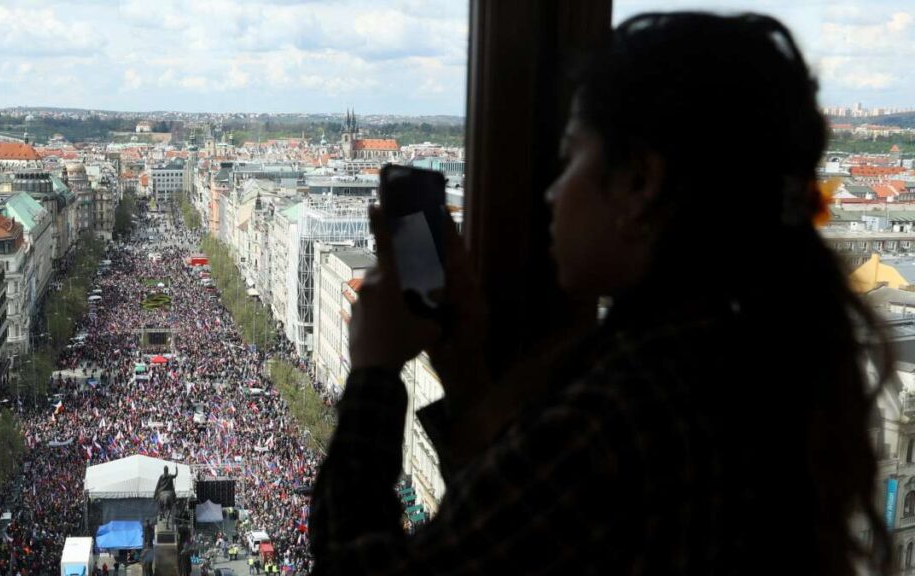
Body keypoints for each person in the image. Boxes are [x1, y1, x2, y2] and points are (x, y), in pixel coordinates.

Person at [309, 11, 891, 576]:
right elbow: (516, 538)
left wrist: (376, 374)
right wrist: (462, 368)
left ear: (640, 183)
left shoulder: (620, 419)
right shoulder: (744, 363)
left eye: (570, 160)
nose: (552, 194)